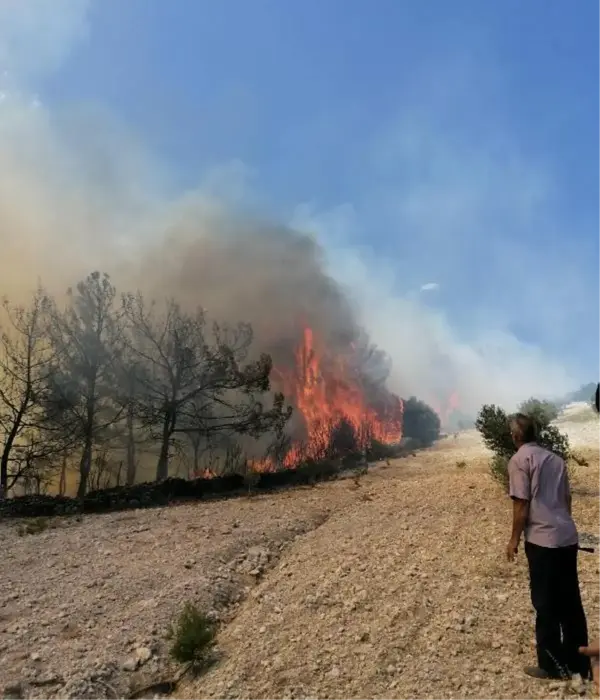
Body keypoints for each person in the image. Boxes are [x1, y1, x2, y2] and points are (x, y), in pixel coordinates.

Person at [506, 413, 591, 681]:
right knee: (570, 601)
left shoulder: (520, 460)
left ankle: (551, 665)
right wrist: (563, 525)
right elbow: (566, 500)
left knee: (545, 602)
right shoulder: (556, 460)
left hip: (542, 540)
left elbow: (521, 505)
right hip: (566, 536)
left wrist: (513, 540)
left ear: (517, 436)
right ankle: (579, 662)